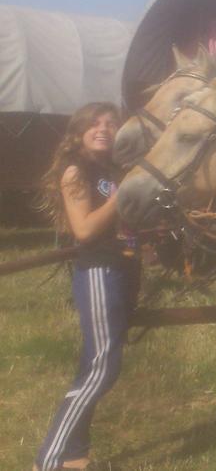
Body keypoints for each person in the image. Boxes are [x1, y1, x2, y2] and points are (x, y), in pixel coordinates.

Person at [32, 102, 139, 471]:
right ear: (79, 132)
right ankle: (48, 460)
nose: (104, 128)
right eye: (94, 123)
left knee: (94, 363)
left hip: (123, 269)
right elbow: (85, 230)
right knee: (102, 368)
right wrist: (120, 197)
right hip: (98, 272)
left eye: (111, 123)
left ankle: (75, 454)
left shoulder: (113, 169)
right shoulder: (76, 171)